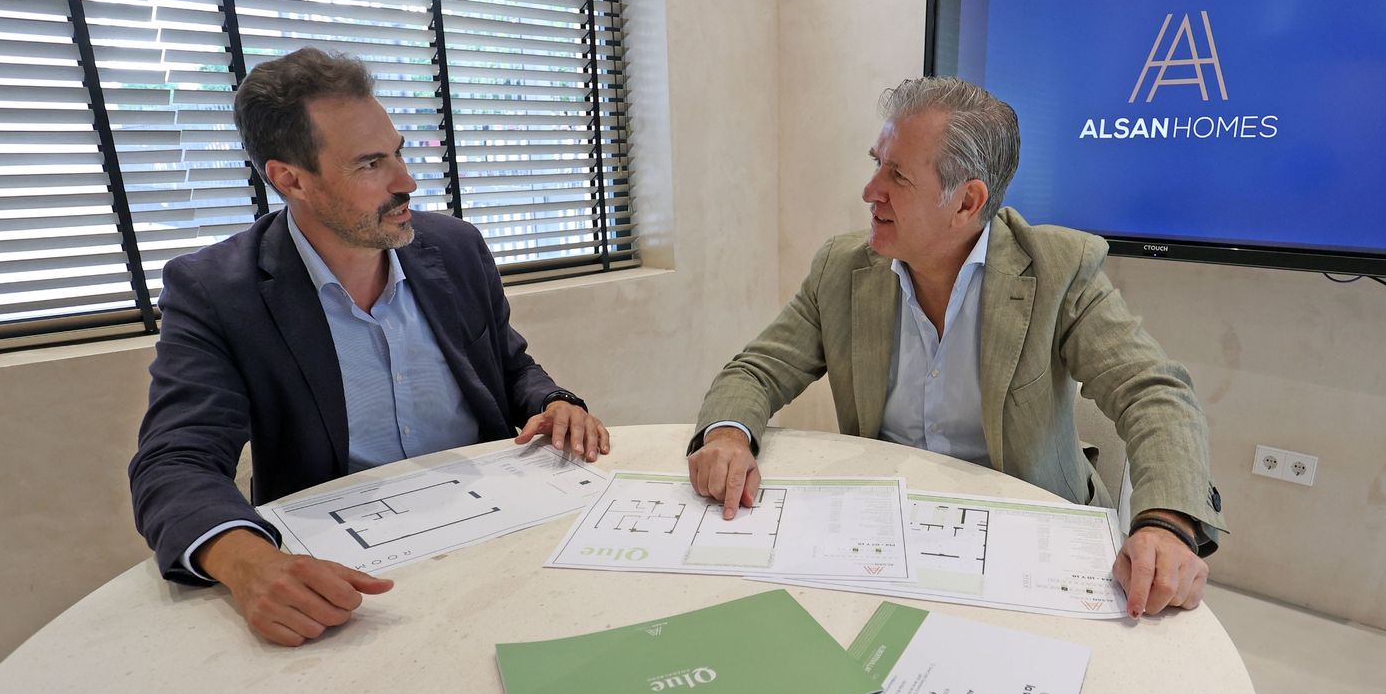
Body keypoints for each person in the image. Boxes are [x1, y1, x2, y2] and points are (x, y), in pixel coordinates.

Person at [686, 77, 1224, 619]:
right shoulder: (841, 268)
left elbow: (1154, 393)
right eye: (877, 163)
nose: (871, 190)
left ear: (967, 202)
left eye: (897, 175)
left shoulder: (1058, 271)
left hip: (1031, 539)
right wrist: (729, 434)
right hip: (885, 538)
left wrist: (1167, 523)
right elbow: (757, 370)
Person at [129, 47, 608, 646]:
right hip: (352, 568)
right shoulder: (218, 293)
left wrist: (552, 400)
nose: (406, 181)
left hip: (497, 526)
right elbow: (175, 461)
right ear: (290, 178)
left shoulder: (455, 248)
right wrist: (249, 564)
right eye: (370, 164)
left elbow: (509, 366)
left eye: (400, 152)